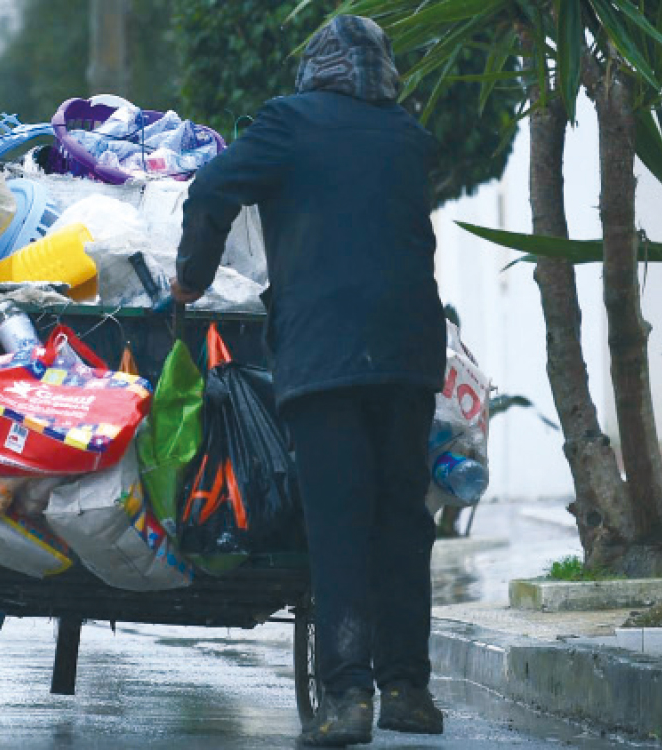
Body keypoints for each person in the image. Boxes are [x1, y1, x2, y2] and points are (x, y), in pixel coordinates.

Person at [172, 15, 446, 747]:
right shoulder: (409, 136)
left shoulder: (288, 122)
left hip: (326, 354)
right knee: (402, 519)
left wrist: (191, 278)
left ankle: (347, 698)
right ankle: (409, 690)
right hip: (408, 353)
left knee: (339, 521)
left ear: (315, 68)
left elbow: (212, 188)